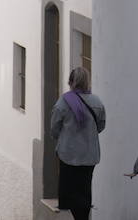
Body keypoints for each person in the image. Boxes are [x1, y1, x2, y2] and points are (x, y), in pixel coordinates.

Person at [50, 66, 106, 220]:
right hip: (89, 154)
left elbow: (54, 128)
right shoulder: (97, 101)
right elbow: (101, 126)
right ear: (87, 82)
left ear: (70, 81)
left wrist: (63, 139)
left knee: (70, 191)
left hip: (68, 154)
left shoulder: (63, 102)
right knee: (84, 189)